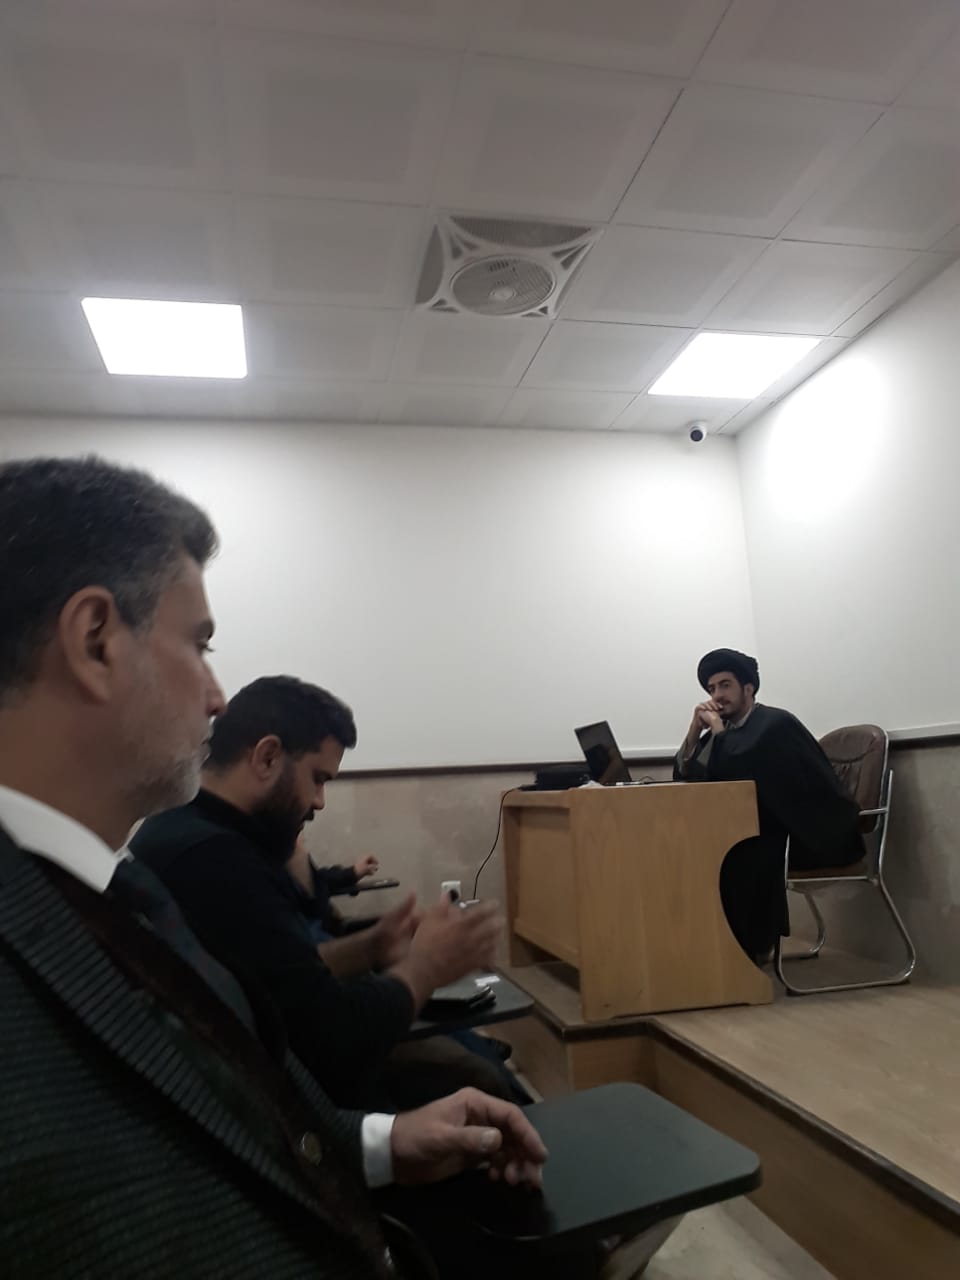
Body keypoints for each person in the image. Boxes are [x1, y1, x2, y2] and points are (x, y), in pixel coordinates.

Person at [0, 456, 546, 1279]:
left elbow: (225, 1103)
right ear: (96, 641)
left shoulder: (119, 885)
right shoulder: (172, 866)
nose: (217, 695)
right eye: (199, 644)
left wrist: (381, 1143)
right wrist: (423, 967)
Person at [131, 676, 521, 1108]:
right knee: (479, 1080)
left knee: (473, 1057)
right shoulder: (211, 858)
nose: (319, 801)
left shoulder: (202, 831)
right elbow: (333, 1038)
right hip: (298, 1104)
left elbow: (283, 970)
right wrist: (427, 967)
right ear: (267, 757)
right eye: (317, 779)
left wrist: (373, 946)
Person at [674, 648, 864, 959]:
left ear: (748, 688)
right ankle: (710, 947)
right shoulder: (725, 732)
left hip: (809, 833)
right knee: (701, 849)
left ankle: (748, 951)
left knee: (735, 854)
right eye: (711, 688)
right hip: (764, 828)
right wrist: (695, 731)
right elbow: (687, 773)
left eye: (725, 685)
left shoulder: (775, 724)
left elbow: (738, 769)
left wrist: (718, 732)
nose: (717, 696)